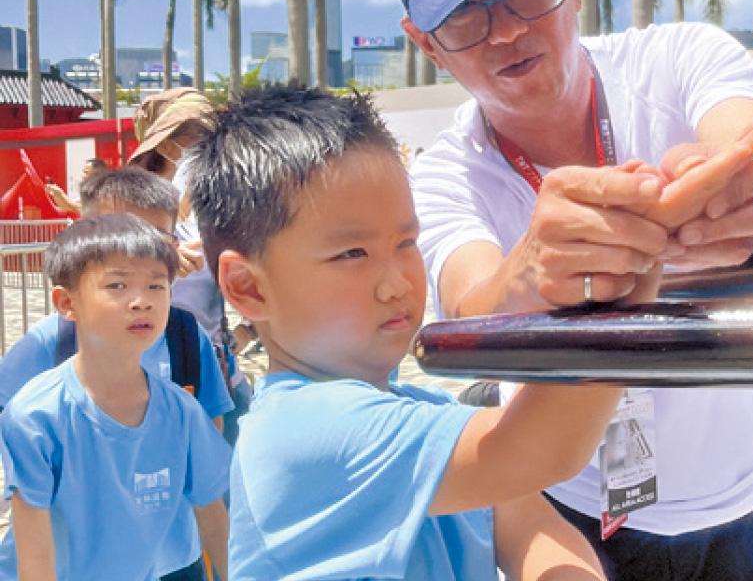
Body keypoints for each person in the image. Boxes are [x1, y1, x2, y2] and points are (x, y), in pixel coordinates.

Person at [378, 0, 753, 578]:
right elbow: (472, 305)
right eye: (463, 14)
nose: (504, 32)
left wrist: (738, 183)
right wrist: (529, 269)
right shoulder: (441, 177)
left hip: (751, 496)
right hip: (573, 512)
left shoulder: (680, 57)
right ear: (425, 42)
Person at [186, 85, 621, 579]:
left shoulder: (428, 413)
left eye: (406, 242)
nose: (397, 283)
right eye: (352, 253)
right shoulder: (300, 430)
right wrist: (618, 297)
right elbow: (538, 448)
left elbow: (529, 525)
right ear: (248, 288)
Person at [0, 167, 235, 581]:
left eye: (155, 285)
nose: (140, 301)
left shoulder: (181, 380)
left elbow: (211, 493)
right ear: (66, 301)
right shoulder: (37, 400)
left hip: (172, 558)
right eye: (117, 284)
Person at [130, 88, 253, 445]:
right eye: (198, 133)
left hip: (221, 381)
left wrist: (248, 331)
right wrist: (159, 258)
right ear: (168, 147)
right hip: (151, 387)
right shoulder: (130, 213)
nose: (212, 141)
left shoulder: (215, 208)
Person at [43, 158, 108, 217]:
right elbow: (66, 206)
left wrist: (60, 193)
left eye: (86, 172)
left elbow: (76, 207)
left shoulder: (104, 192)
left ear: (97, 174)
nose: (82, 176)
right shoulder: (88, 192)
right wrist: (56, 194)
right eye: (83, 172)